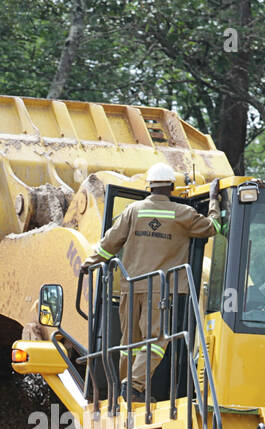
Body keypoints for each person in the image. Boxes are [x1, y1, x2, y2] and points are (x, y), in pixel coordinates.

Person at [85, 162, 222, 400]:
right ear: (171, 186)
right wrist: (213, 201)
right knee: (157, 340)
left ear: (149, 186)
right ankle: (135, 386)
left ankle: (124, 391)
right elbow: (214, 227)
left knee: (130, 342)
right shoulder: (184, 214)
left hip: (130, 285)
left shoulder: (133, 211)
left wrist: (89, 263)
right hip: (160, 289)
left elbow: (110, 243)